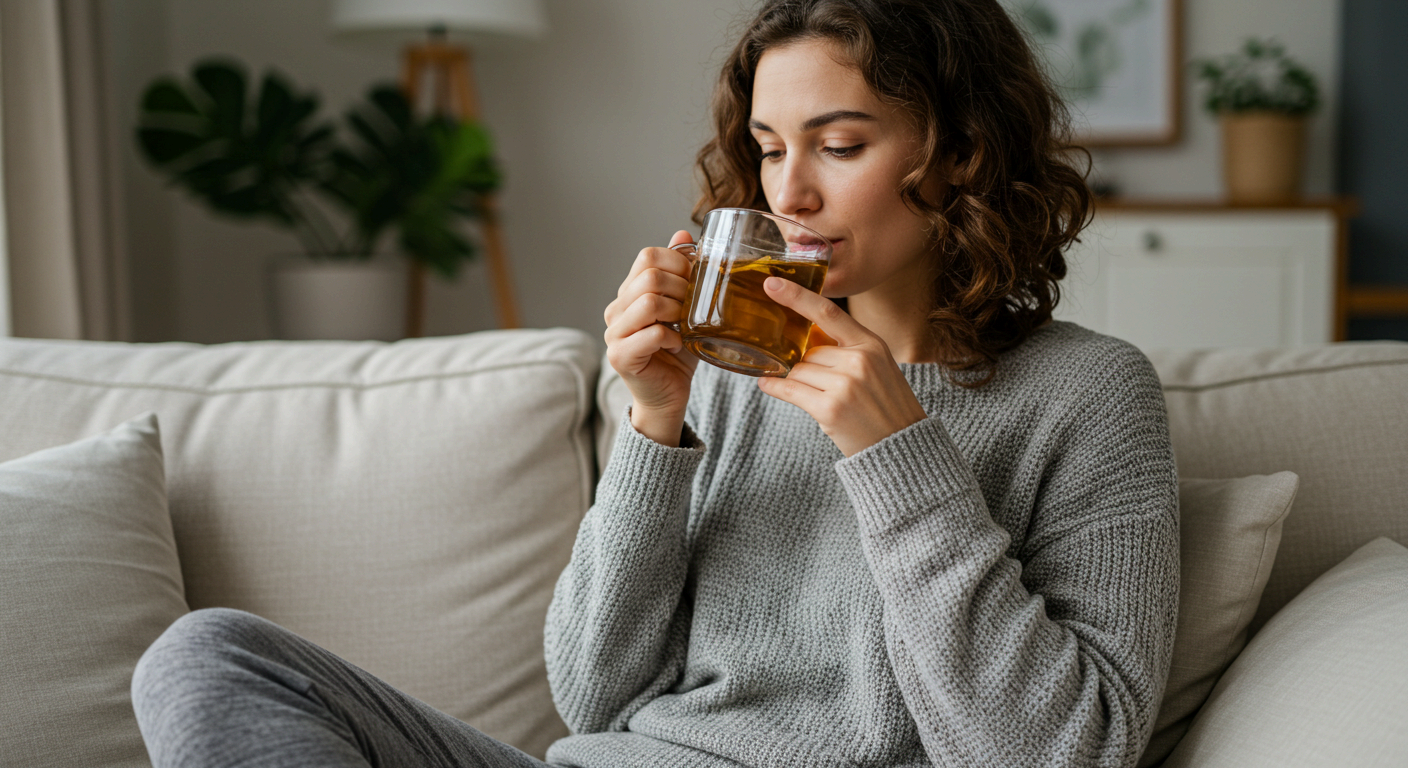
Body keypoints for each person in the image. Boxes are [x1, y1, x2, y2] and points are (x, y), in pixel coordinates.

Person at [131, 1, 1178, 767]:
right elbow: (592, 700)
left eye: (841, 144)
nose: (793, 191)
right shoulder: (725, 368)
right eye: (769, 150)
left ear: (962, 154)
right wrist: (654, 424)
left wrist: (895, 450)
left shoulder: (1087, 396)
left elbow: (1058, 753)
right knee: (208, 655)